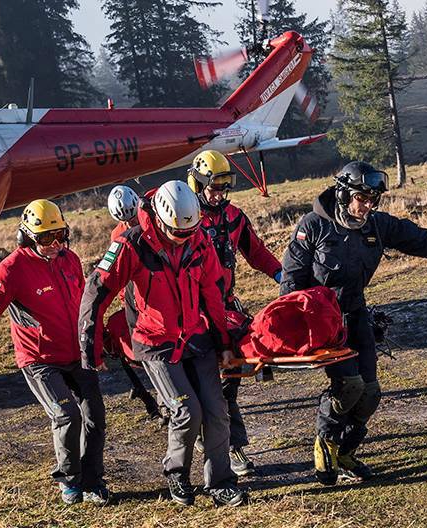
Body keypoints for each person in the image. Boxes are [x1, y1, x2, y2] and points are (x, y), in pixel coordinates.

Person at [280, 161, 427, 486]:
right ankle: (326, 442)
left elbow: (426, 242)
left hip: (356, 315)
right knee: (349, 386)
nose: (368, 206)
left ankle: (346, 452)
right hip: (323, 321)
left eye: (373, 200)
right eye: (362, 198)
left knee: (370, 393)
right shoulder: (313, 226)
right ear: (343, 194)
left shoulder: (377, 226)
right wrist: (298, 327)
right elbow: (291, 282)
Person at [79, 181, 247, 507]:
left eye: (190, 232)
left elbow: (213, 292)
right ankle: (177, 473)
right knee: (187, 412)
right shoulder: (131, 245)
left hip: (196, 338)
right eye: (178, 233)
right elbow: (96, 293)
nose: (184, 238)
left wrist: (224, 342)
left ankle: (221, 482)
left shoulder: (199, 240)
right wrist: (91, 348)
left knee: (216, 411)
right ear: (160, 219)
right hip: (155, 343)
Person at [0, 199, 108, 505]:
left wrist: (96, 342)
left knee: (95, 416)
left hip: (76, 354)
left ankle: (93, 481)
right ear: (27, 236)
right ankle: (70, 479)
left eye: (60, 235)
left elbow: (84, 306)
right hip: (39, 360)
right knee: (67, 415)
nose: (55, 244)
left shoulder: (70, 259)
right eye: (46, 238)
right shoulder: (10, 270)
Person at [187, 150, 282, 476]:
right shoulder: (185, 218)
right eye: (214, 187)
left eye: (224, 187)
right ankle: (213, 440)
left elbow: (257, 252)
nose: (219, 194)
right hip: (192, 315)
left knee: (229, 380)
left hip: (225, 309)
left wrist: (282, 275)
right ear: (197, 184)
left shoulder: (234, 217)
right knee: (204, 387)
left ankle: (231, 445)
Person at [104, 185, 166, 425]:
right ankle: (162, 401)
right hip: (136, 298)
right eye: (125, 221)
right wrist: (125, 300)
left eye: (132, 218)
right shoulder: (117, 236)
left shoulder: (152, 219)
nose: (130, 224)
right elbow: (119, 273)